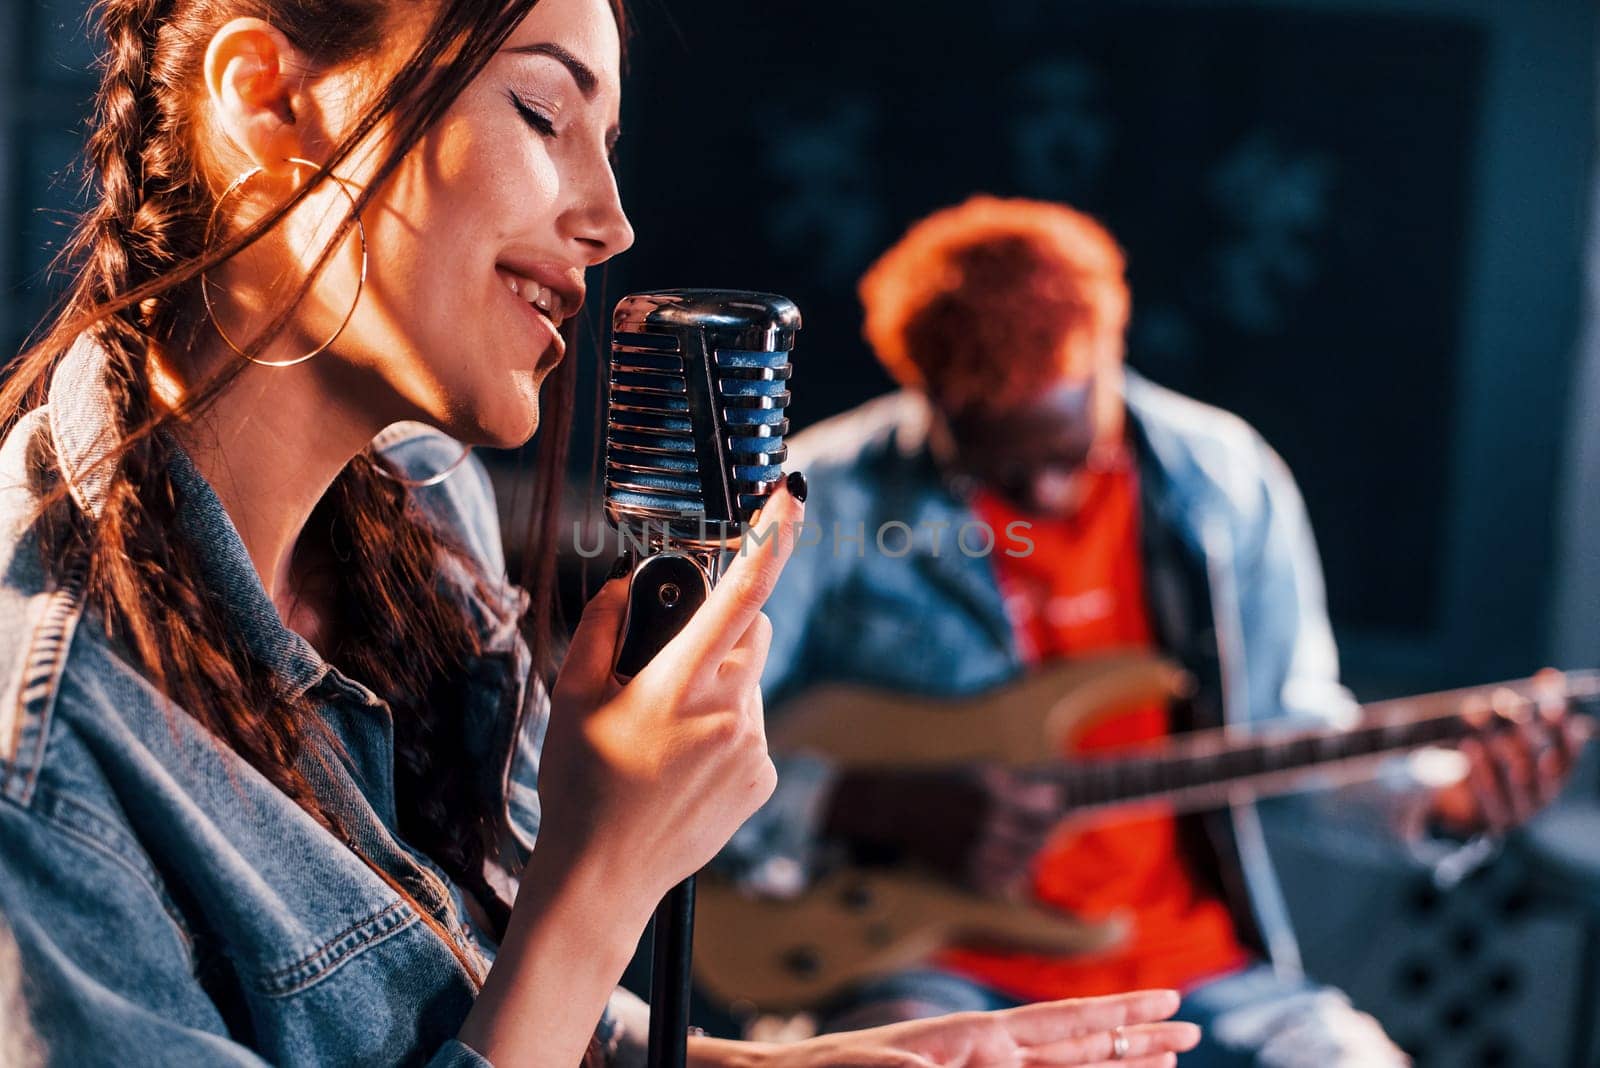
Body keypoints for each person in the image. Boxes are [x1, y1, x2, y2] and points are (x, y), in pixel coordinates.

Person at [0, 5, 1206, 1067]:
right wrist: (600, 882)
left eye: (609, 144)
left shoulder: (421, 516)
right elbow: (541, 969)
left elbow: (479, 1002)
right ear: (266, 102)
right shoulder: (44, 743)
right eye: (541, 111)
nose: (612, 221)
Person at [724, 196, 1588, 1065]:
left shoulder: (1227, 480)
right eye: (1000, 469)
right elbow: (694, 745)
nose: (1047, 497)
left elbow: (1286, 737)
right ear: (929, 396)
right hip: (931, 969)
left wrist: (1443, 803)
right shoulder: (824, 496)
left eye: (1068, 456)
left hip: (1203, 971)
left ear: (1110, 355)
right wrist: (868, 804)